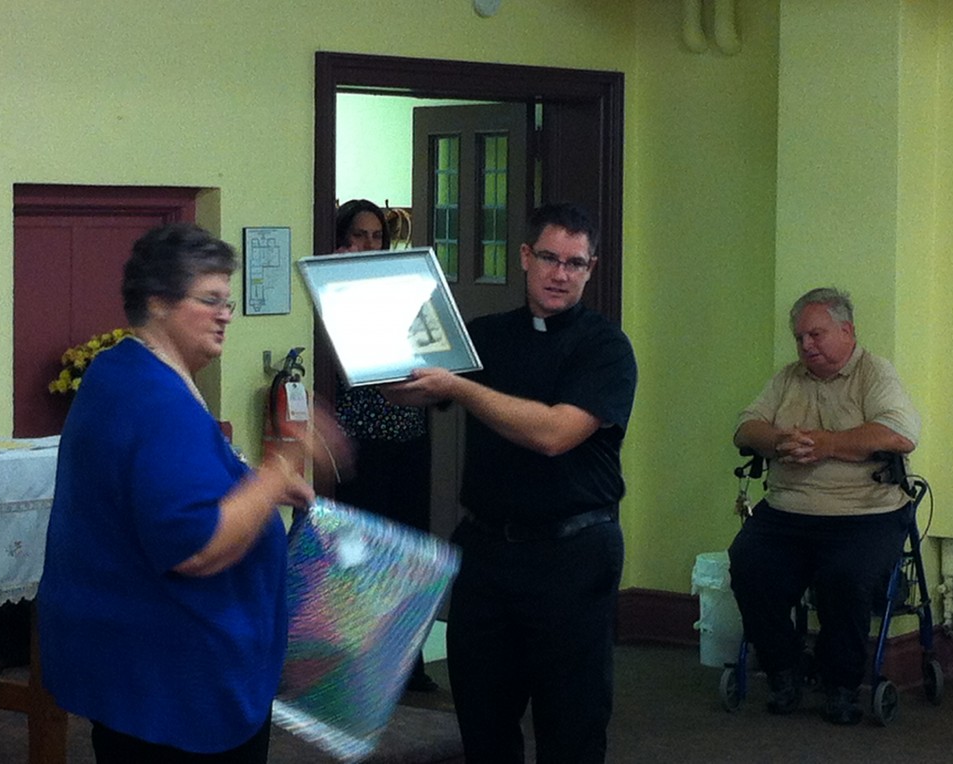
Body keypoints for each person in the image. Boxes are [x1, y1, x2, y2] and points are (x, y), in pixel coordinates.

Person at [38, 223, 350, 762]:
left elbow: (165, 490)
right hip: (176, 690)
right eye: (210, 300)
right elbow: (195, 546)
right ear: (158, 302)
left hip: (142, 673)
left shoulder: (120, 369)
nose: (226, 313)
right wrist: (279, 468)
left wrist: (253, 487)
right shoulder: (154, 398)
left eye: (227, 301)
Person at [383, 202, 637, 762]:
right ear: (525, 257)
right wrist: (376, 353)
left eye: (575, 263)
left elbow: (553, 434)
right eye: (549, 257)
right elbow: (411, 389)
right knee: (482, 715)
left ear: (590, 268)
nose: (560, 273)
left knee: (571, 721)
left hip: (574, 553)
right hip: (488, 553)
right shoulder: (488, 336)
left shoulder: (605, 348)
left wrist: (463, 387)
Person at [728, 287, 920, 726]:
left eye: (815, 335)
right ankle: (784, 670)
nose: (805, 346)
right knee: (747, 562)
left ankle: (840, 684)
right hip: (788, 511)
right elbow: (744, 427)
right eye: (799, 338)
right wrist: (776, 441)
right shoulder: (787, 378)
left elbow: (900, 433)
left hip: (865, 513)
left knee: (845, 577)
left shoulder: (875, 374)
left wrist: (827, 444)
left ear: (847, 331)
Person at [329, 198, 439, 692]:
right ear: (342, 238)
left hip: (409, 441)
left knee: (409, 554)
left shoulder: (402, 294)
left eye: (376, 236)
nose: (368, 244)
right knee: (362, 556)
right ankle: (359, 666)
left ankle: (407, 667)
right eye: (359, 235)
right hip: (362, 445)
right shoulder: (334, 293)